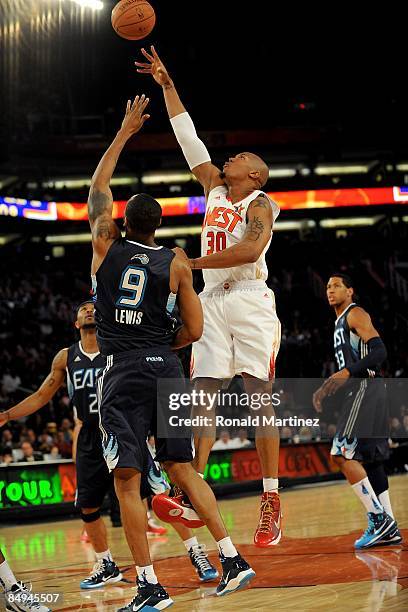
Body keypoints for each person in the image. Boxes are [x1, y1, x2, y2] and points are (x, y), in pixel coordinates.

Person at [88, 94, 255, 610]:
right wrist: (163, 344)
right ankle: (231, 557)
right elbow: (196, 327)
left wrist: (123, 132)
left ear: (121, 224)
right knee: (184, 469)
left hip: (121, 372)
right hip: (166, 368)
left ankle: (148, 585)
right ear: (157, 226)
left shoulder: (104, 243)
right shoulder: (178, 261)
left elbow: (97, 189)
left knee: (127, 480)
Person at [135, 46, 282, 547]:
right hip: (212, 301)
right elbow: (188, 137)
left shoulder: (261, 203)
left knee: (259, 396)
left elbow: (249, 249)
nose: (232, 156)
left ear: (256, 175)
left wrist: (192, 264)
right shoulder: (216, 187)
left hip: (248, 298)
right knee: (203, 401)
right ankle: (194, 492)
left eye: (243, 157)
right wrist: (167, 83)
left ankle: (270, 497)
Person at [0, 302, 123, 589]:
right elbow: (43, 394)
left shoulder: (115, 347)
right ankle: (106, 563)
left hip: (120, 431)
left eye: (93, 307)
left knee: (146, 497)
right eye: (83, 309)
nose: (89, 311)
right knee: (88, 508)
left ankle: (193, 550)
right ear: (75, 323)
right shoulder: (66, 357)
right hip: (90, 435)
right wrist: (7, 414)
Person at [313, 273, 402, 548]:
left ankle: (379, 520)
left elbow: (380, 351)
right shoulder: (339, 322)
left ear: (350, 291)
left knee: (340, 453)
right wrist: (327, 388)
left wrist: (347, 372)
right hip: (369, 389)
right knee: (372, 460)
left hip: (365, 387)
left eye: (337, 286)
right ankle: (390, 525)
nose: (330, 290)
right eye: (328, 286)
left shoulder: (355, 314)